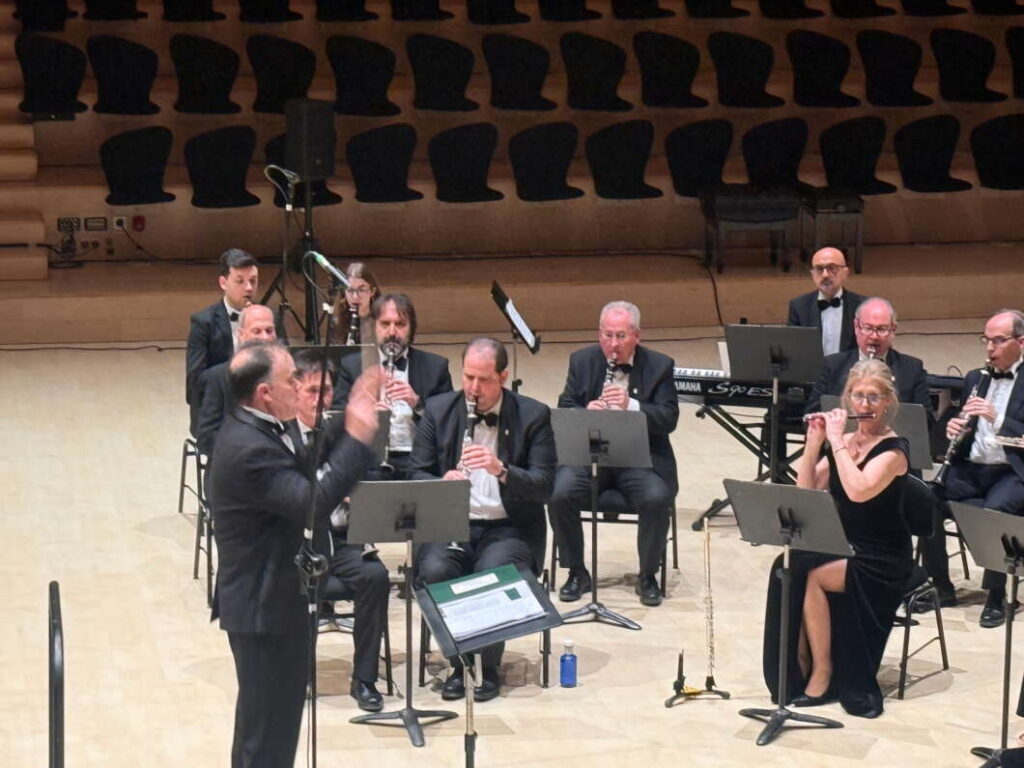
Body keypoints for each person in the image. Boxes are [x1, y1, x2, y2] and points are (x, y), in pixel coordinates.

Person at [208, 341, 380, 768]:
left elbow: (308, 461)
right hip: (262, 609)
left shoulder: (262, 425)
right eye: (292, 380)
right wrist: (358, 439)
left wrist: (348, 417)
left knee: (270, 730)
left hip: (280, 599)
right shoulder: (249, 448)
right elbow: (311, 502)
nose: (299, 385)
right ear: (265, 393)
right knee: (267, 735)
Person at [409, 337, 555, 702]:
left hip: (509, 527)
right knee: (437, 569)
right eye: (468, 377)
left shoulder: (534, 416)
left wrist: (502, 469)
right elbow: (415, 474)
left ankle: (487, 667)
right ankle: (458, 664)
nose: (473, 389)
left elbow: (546, 486)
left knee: (495, 575)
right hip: (451, 522)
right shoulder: (440, 410)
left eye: (484, 379)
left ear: (503, 376)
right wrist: (442, 482)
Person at [764, 359, 912, 719]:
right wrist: (815, 444)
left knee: (814, 573)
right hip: (847, 545)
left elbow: (859, 491)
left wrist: (837, 444)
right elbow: (806, 491)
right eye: (858, 396)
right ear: (847, 400)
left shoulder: (894, 451)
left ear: (888, 403)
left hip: (882, 557)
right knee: (789, 564)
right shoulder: (845, 442)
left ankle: (824, 671)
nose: (865, 405)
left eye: (873, 397)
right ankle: (797, 667)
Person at [548, 301, 678, 607]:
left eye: (621, 336)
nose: (613, 345)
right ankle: (577, 572)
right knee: (559, 492)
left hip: (639, 461)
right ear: (599, 334)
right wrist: (586, 411)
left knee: (657, 497)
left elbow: (668, 419)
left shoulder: (660, 366)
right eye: (607, 335)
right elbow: (565, 406)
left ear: (637, 336)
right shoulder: (582, 361)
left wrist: (630, 406)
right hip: (590, 456)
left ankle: (647, 575)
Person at [286, 348, 390, 712]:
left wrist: (356, 494)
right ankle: (296, 674)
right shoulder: (281, 438)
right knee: (296, 585)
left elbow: (376, 476)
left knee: (375, 576)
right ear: (294, 389)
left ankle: (364, 679)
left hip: (343, 541)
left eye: (326, 391)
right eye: (312, 390)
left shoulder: (344, 431)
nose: (321, 399)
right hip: (300, 547)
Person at [930, 309, 1024, 628]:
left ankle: (997, 596)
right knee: (929, 498)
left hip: (1011, 472)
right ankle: (940, 585)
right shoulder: (975, 377)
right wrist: (955, 428)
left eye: (998, 340)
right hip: (972, 468)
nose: (990, 348)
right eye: (987, 340)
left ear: (1020, 342)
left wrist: (996, 417)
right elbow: (964, 425)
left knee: (993, 512)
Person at [331, 293, 453, 478]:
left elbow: (449, 423)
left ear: (411, 329)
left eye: (400, 324)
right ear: (374, 327)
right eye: (385, 324)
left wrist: (418, 404)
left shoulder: (436, 367)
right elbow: (337, 418)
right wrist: (367, 414)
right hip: (370, 461)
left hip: (419, 462)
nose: (392, 332)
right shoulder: (352, 366)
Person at [804, 297, 931, 421]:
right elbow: (811, 415)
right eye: (868, 328)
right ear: (856, 327)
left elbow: (926, 423)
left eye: (882, 329)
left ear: (893, 330)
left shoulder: (912, 369)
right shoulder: (833, 365)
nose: (874, 336)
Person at [186, 248, 260, 435]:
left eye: (253, 281)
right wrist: (239, 366)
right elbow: (195, 381)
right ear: (223, 283)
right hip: (219, 413)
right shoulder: (203, 323)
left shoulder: (268, 320)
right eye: (240, 281)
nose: (249, 287)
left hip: (261, 409)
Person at [195, 305, 277, 457]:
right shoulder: (217, 377)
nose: (265, 337)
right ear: (241, 335)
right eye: (257, 331)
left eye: (269, 331)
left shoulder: (288, 375)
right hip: (234, 467)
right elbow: (206, 438)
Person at [787, 247, 865, 356]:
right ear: (812, 274)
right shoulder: (799, 306)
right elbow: (793, 348)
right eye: (819, 269)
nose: (825, 275)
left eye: (832, 268)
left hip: (850, 371)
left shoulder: (863, 307)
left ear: (845, 273)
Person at [335, 262, 381, 346]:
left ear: (373, 291)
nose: (355, 297)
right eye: (350, 290)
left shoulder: (384, 321)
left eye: (361, 290)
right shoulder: (337, 322)